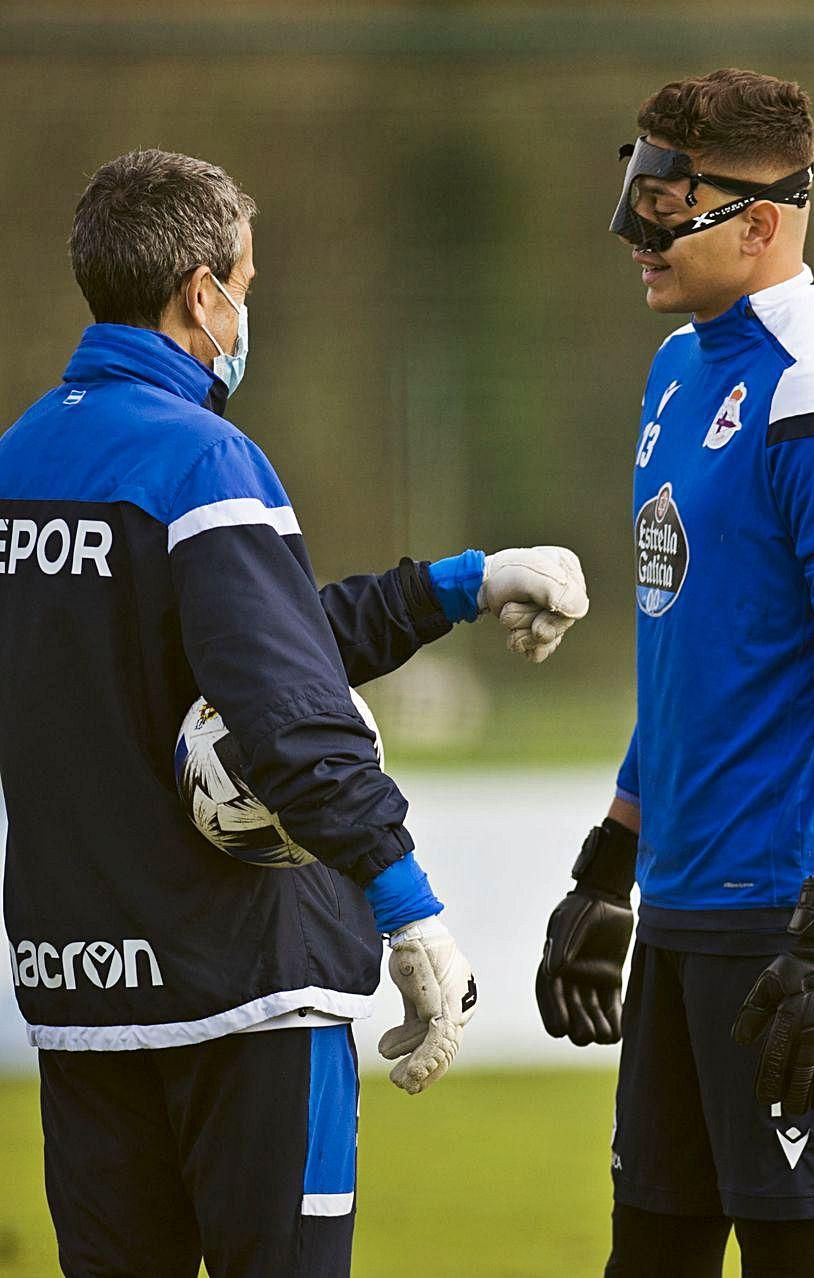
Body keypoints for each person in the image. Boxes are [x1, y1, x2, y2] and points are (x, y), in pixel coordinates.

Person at [0, 148, 589, 1278]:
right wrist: (407, 907)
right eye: (248, 287)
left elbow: (231, 647)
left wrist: (458, 584)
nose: (245, 313)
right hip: (247, 993)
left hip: (82, 1001)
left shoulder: (22, 460)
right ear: (200, 293)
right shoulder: (204, 459)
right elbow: (290, 716)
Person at [535, 69, 814, 1278]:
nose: (638, 228)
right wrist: (609, 864)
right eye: (637, 185)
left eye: (668, 199)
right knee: (648, 1256)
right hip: (686, 914)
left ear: (761, 222)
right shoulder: (675, 369)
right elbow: (692, 659)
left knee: (797, 1262)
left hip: (792, 923)